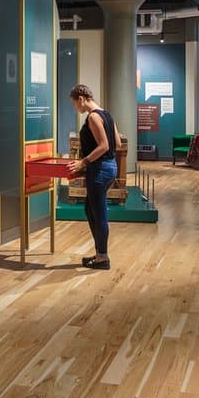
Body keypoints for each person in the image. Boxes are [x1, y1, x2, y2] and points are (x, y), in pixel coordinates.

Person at [67, 84, 122, 270]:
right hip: (110, 167)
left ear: (81, 98)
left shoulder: (93, 116)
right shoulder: (107, 114)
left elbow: (105, 145)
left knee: (99, 214)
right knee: (90, 210)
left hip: (99, 170)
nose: (77, 108)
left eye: (75, 104)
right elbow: (118, 142)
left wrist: (83, 162)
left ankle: (102, 258)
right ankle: (100, 253)